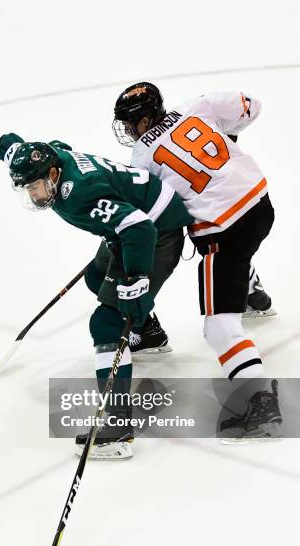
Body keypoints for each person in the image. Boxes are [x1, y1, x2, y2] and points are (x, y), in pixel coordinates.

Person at [0, 134, 193, 458]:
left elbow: (139, 227)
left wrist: (136, 278)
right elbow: (54, 148)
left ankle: (116, 424)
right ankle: (148, 332)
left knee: (106, 324)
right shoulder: (54, 158)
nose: (33, 194)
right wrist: (13, 151)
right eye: (27, 188)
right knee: (97, 275)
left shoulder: (79, 195)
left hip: (154, 233)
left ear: (54, 175)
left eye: (35, 186)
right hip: (128, 225)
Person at [112, 82, 281, 440]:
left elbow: (158, 212)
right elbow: (251, 105)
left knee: (219, 330)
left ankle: (261, 399)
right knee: (239, 256)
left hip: (224, 231)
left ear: (142, 121)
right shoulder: (198, 105)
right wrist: (226, 135)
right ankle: (252, 293)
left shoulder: (142, 158)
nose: (129, 131)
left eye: (130, 123)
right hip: (261, 205)